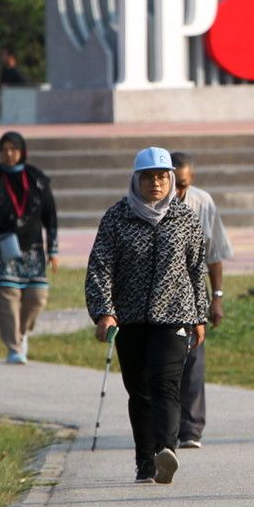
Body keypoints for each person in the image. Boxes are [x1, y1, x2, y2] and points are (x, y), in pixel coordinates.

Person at [85, 147, 208, 485]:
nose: (156, 183)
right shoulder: (116, 217)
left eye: (162, 176)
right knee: (139, 390)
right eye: (149, 177)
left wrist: (200, 315)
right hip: (131, 318)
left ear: (171, 179)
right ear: (135, 179)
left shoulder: (185, 218)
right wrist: (104, 313)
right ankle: (145, 460)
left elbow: (197, 269)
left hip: (175, 316)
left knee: (165, 383)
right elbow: (100, 266)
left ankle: (166, 450)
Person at [0, 131, 59, 364]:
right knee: (7, 299)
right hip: (0, 251)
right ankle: (14, 347)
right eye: (4, 149)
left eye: (13, 149)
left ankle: (21, 332)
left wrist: (53, 250)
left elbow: (51, 217)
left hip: (33, 251)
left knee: (37, 297)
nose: (8, 154)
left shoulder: (37, 180)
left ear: (22, 151)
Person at [170, 151, 234, 449]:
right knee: (165, 359)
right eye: (173, 183)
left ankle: (191, 428)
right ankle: (166, 425)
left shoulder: (202, 202)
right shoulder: (149, 203)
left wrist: (217, 297)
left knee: (193, 357)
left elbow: (215, 253)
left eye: (183, 185)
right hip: (160, 292)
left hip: (194, 289)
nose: (177, 191)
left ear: (191, 180)